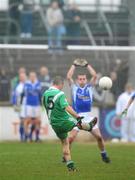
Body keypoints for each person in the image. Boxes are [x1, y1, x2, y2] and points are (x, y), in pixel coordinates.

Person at [42, 76, 97, 171]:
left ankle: (70, 166)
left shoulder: (45, 94)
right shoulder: (60, 94)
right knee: (79, 123)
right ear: (61, 84)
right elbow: (66, 107)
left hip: (54, 124)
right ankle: (89, 126)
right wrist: (77, 116)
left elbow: (46, 106)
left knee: (65, 142)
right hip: (64, 120)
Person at [66, 59, 110, 163]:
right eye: (80, 79)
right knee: (71, 138)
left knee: (99, 137)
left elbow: (94, 76)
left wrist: (87, 65)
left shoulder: (90, 87)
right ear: (77, 80)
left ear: (86, 80)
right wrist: (73, 65)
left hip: (88, 117)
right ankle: (66, 155)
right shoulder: (74, 88)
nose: (82, 80)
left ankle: (103, 154)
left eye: (84, 79)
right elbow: (68, 77)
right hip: (77, 117)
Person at [23, 71, 42, 142]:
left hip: (36, 104)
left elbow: (38, 91)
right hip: (29, 105)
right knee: (27, 120)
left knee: (38, 121)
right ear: (29, 77)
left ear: (35, 76)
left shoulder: (38, 83)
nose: (32, 77)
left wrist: (33, 90)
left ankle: (37, 137)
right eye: (31, 76)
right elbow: (29, 91)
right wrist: (34, 90)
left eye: (33, 76)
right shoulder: (27, 83)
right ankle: (26, 136)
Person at [14, 72, 27, 141]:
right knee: (22, 120)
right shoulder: (18, 86)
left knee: (27, 121)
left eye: (23, 76)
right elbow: (16, 97)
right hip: (21, 106)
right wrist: (16, 105)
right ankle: (22, 137)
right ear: (20, 78)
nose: (22, 78)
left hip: (28, 106)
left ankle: (27, 136)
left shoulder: (28, 85)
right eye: (21, 77)